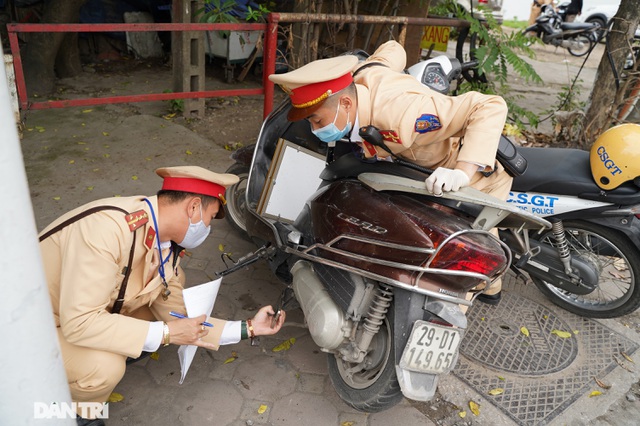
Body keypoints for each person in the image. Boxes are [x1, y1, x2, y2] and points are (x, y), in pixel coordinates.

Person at [39, 166, 286, 426]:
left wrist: (249, 328)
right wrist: (166, 334)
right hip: (26, 329)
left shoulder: (163, 244)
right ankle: (69, 414)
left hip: (70, 316)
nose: (208, 228)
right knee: (106, 367)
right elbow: (80, 323)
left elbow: (183, 316)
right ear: (193, 208)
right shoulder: (107, 231)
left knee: (154, 317)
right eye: (210, 217)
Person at [269, 40, 511, 304]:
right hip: (425, 173)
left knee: (455, 270)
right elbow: (393, 49)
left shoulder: (403, 116)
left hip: (472, 174)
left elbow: (488, 106)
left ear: (346, 103)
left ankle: (475, 302)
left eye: (318, 120)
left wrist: (462, 172)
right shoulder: (364, 74)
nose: (316, 130)